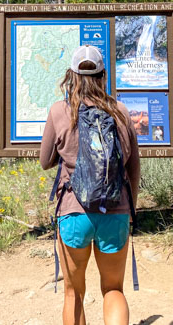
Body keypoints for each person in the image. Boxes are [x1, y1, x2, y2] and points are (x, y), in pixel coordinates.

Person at [40, 45, 140, 325]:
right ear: (103, 75)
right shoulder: (120, 111)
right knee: (113, 289)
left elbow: (44, 161)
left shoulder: (59, 111)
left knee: (73, 292)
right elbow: (133, 167)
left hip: (73, 212)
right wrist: (129, 209)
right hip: (115, 211)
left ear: (71, 75)